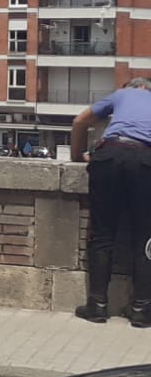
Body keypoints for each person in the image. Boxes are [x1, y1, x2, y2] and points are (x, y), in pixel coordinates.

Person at [70, 77, 151, 326]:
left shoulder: (121, 94)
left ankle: (97, 306)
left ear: (135, 87)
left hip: (109, 156)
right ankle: (142, 309)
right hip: (144, 159)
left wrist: (77, 156)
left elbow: (79, 121)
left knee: (102, 234)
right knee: (144, 238)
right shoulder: (142, 94)